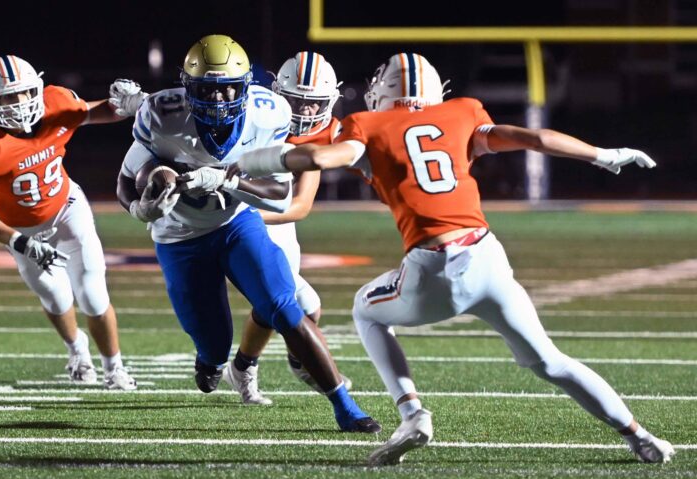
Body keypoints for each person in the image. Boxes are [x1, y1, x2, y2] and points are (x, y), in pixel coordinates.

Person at [237, 52, 675, 464]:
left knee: (366, 311)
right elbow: (536, 138)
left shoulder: (367, 124)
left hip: (433, 264)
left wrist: (245, 165)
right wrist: (604, 155)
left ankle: (412, 414)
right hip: (487, 258)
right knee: (550, 360)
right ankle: (640, 436)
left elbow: (318, 156)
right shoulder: (462, 112)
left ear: (381, 93)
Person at [115, 35, 380, 433]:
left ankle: (345, 405)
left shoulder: (267, 114)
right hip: (180, 237)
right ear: (188, 88)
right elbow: (126, 179)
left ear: (246, 87)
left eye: (228, 89)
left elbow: (280, 195)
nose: (219, 100)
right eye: (207, 90)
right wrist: (141, 206)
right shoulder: (162, 115)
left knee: (285, 306)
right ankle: (212, 361)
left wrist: (227, 180)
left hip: (237, 223)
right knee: (214, 345)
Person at [0, 55, 142, 390]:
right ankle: (77, 350)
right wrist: (22, 243)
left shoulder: (56, 103)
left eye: (23, 93)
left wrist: (131, 105)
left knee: (92, 293)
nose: (17, 103)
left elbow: (100, 111)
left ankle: (114, 368)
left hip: (67, 210)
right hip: (22, 230)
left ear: (36, 90)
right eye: (6, 98)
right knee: (55, 298)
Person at [226, 51, 351, 402]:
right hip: (234, 222)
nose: (305, 112)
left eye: (313, 104)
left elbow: (300, 206)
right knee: (294, 304)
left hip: (269, 219)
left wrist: (246, 215)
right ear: (277, 94)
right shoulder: (253, 119)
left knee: (295, 305)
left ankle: (254, 365)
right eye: (296, 101)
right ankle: (297, 364)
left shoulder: (322, 137)